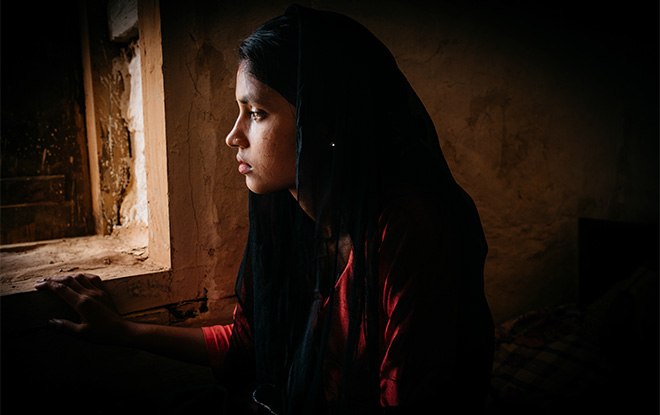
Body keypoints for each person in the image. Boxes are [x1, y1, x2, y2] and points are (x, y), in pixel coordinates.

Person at [35, 5, 494, 414]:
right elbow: (251, 345)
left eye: (256, 113)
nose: (234, 136)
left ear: (322, 122)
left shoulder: (409, 232)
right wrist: (123, 332)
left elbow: (405, 397)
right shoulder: (289, 212)